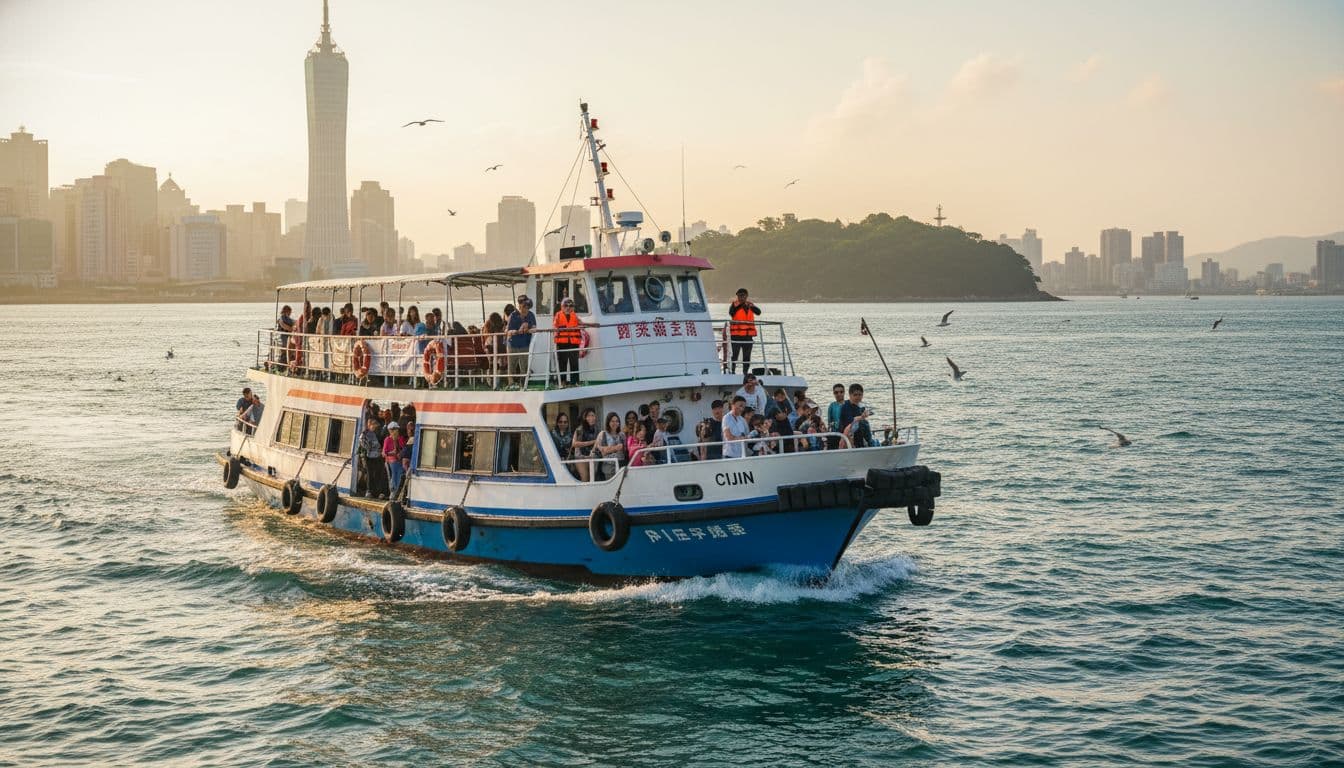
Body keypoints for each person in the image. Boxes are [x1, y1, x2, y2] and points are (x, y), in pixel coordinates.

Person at [552, 296, 592, 386]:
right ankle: (562, 382)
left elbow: (581, 323)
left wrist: (590, 324)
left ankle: (575, 382)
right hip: (562, 343)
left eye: (570, 306)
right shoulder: (558, 315)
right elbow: (555, 326)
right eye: (566, 305)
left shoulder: (574, 316)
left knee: (574, 363)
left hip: (573, 343)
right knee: (562, 363)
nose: (568, 308)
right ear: (562, 307)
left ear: (573, 307)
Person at [727, 287, 761, 374]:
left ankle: (745, 372)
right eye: (739, 296)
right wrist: (741, 305)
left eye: (743, 296)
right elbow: (731, 313)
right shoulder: (734, 305)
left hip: (748, 336)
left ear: (746, 296)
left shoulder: (750, 305)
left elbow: (758, 312)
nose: (741, 297)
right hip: (736, 335)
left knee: (747, 356)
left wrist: (751, 306)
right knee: (734, 355)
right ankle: (732, 371)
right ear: (737, 296)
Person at [505, 296, 536, 387]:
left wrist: (530, 329)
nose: (526, 309)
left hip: (525, 344)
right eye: (524, 306)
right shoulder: (513, 315)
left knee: (524, 365)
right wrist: (514, 331)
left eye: (528, 307)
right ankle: (511, 383)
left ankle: (523, 384)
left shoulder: (531, 315)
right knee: (512, 365)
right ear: (520, 306)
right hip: (513, 344)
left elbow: (534, 327)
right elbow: (508, 330)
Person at [359, 418, 388, 498]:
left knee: (378, 474)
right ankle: (369, 491)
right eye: (373, 425)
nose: (375, 426)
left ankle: (377, 492)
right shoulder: (364, 434)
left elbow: (382, 441)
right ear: (369, 425)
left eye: (375, 425)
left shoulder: (377, 433)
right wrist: (371, 446)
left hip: (378, 456)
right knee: (370, 474)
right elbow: (363, 444)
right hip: (368, 457)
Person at [839, 383, 875, 448]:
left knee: (865, 423)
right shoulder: (846, 406)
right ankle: (869, 444)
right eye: (855, 395)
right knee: (863, 423)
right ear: (850, 395)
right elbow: (850, 420)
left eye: (860, 395)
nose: (857, 397)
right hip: (847, 433)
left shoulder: (861, 406)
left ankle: (870, 443)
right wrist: (862, 417)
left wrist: (866, 414)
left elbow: (871, 412)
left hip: (859, 434)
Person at [571, 407, 600, 482]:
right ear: (585, 418)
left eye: (593, 415)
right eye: (588, 416)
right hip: (581, 457)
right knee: (585, 478)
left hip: (591, 456)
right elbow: (574, 444)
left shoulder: (596, 429)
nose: (591, 418)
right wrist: (592, 442)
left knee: (592, 479)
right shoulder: (579, 429)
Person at [595, 412, 626, 480]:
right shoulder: (602, 434)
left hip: (621, 465)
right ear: (608, 422)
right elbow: (603, 451)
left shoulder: (622, 435)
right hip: (608, 466)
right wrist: (616, 448)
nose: (615, 423)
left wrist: (608, 449)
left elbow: (624, 450)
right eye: (612, 421)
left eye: (617, 421)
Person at [384, 422, 407, 498]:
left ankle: (396, 492)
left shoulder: (400, 438)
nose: (396, 431)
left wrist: (400, 452)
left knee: (399, 475)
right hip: (391, 461)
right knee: (393, 475)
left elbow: (404, 448)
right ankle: (393, 492)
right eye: (394, 429)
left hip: (399, 460)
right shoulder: (387, 439)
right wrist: (393, 452)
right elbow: (385, 452)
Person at [826, 382, 846, 450]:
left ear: (844, 392)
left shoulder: (848, 404)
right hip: (835, 433)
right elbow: (829, 421)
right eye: (836, 392)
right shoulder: (832, 405)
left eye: (841, 392)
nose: (839, 394)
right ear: (834, 393)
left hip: (846, 432)